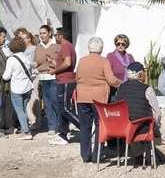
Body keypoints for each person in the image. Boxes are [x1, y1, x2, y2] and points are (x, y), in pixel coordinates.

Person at [74, 35, 120, 163]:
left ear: (89, 48)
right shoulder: (104, 61)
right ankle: (97, 155)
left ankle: (85, 155)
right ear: (101, 49)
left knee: (85, 127)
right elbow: (111, 80)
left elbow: (77, 77)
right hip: (99, 99)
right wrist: (122, 83)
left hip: (82, 97)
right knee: (100, 126)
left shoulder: (82, 60)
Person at [4, 34, 38, 140]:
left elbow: (6, 76)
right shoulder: (27, 58)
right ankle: (24, 129)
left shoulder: (11, 59)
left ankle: (26, 132)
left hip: (17, 88)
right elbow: (32, 74)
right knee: (23, 109)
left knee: (19, 110)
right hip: (28, 87)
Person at [32, 25, 62, 138]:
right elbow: (35, 62)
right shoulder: (38, 47)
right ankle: (52, 126)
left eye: (44, 33)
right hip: (42, 78)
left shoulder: (57, 46)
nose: (42, 35)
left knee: (55, 100)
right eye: (40, 33)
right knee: (47, 103)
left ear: (50, 33)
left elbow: (61, 62)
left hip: (53, 77)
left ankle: (62, 123)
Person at [51, 28, 78, 144]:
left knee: (65, 108)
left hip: (66, 81)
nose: (55, 37)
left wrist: (55, 71)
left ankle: (84, 125)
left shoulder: (66, 46)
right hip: (63, 80)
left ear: (60, 36)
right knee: (62, 108)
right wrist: (53, 61)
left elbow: (67, 63)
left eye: (56, 35)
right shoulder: (68, 46)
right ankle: (63, 135)